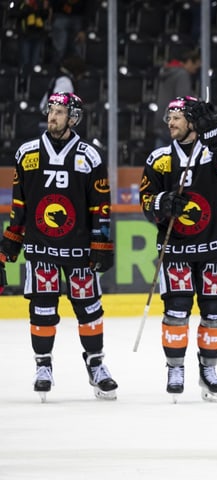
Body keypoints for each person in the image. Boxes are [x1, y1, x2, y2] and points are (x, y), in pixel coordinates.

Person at [0, 91, 118, 402]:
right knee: (41, 309)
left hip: (79, 250)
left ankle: (96, 366)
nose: (53, 116)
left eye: (60, 112)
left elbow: (100, 206)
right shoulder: (27, 154)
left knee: (90, 310)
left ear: (73, 118)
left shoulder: (88, 156)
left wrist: (101, 243)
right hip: (40, 248)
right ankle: (43, 367)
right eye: (51, 110)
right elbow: (19, 205)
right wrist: (9, 245)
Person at [139, 96, 217, 402]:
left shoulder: (212, 153)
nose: (170, 122)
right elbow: (146, 202)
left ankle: (209, 370)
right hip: (176, 248)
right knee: (176, 310)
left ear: (192, 123)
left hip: (213, 246)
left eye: (177, 117)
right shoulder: (159, 158)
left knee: (214, 313)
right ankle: (175, 368)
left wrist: (216, 131)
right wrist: (162, 203)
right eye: (169, 117)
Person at [153, 49, 202, 148]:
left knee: (160, 157)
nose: (195, 70)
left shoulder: (166, 72)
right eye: (195, 67)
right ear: (188, 62)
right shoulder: (182, 75)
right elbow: (183, 99)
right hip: (175, 120)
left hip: (161, 117)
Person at [49, 0, 94, 66]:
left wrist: (84, 29)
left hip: (79, 18)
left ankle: (76, 74)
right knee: (59, 49)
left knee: (77, 50)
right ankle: (57, 73)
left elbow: (89, 6)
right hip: (60, 15)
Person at [17, 0, 52, 73]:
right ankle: (22, 78)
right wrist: (27, 5)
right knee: (25, 59)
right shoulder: (23, 3)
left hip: (38, 35)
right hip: (25, 34)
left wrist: (45, 8)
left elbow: (45, 16)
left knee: (35, 61)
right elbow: (17, 14)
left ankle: (33, 79)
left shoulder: (41, 3)